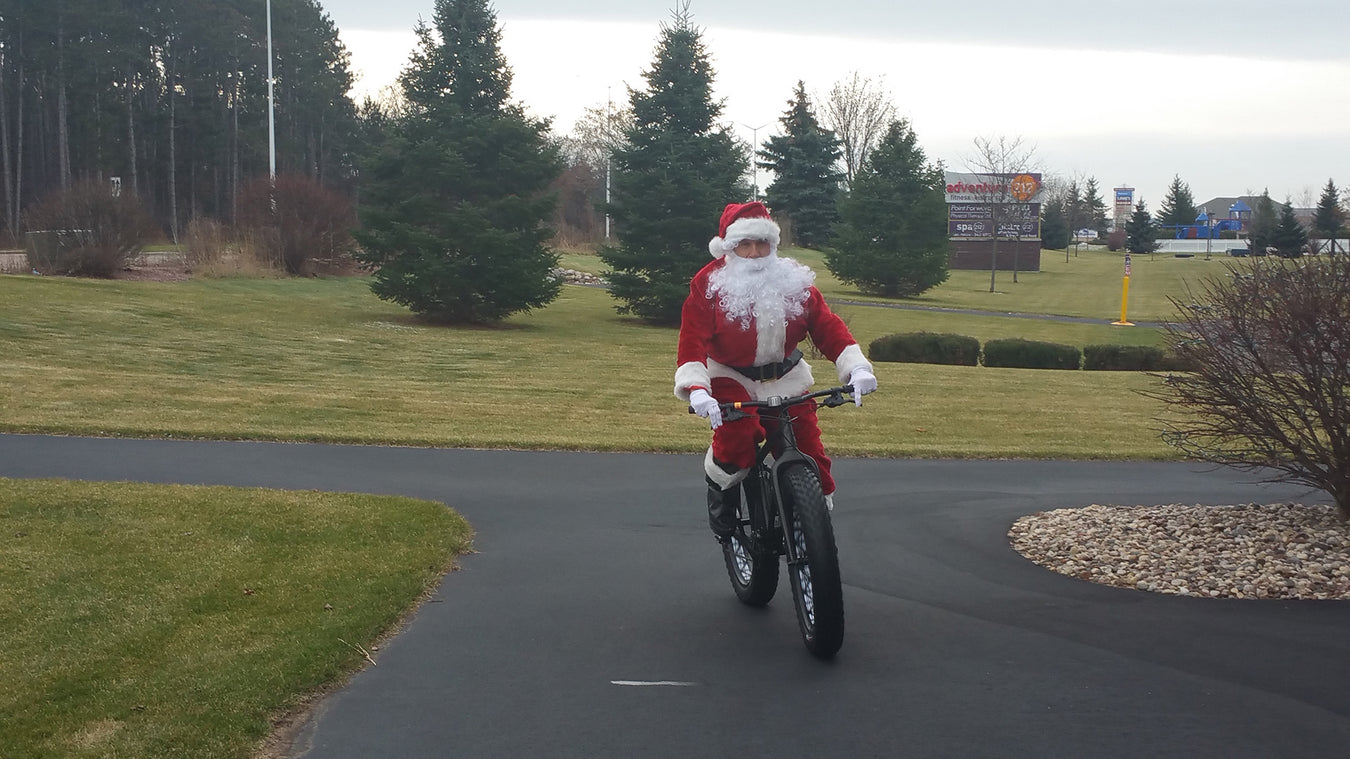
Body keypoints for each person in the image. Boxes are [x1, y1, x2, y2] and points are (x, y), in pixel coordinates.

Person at [675, 201, 877, 540]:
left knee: (809, 448)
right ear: (729, 247)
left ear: (773, 245)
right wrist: (697, 389)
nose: (754, 253)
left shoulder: (792, 279)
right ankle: (720, 491)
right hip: (729, 375)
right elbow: (692, 338)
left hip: (785, 375)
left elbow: (826, 325)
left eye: (762, 244)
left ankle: (811, 527)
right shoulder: (708, 284)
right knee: (737, 439)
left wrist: (855, 368)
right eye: (745, 244)